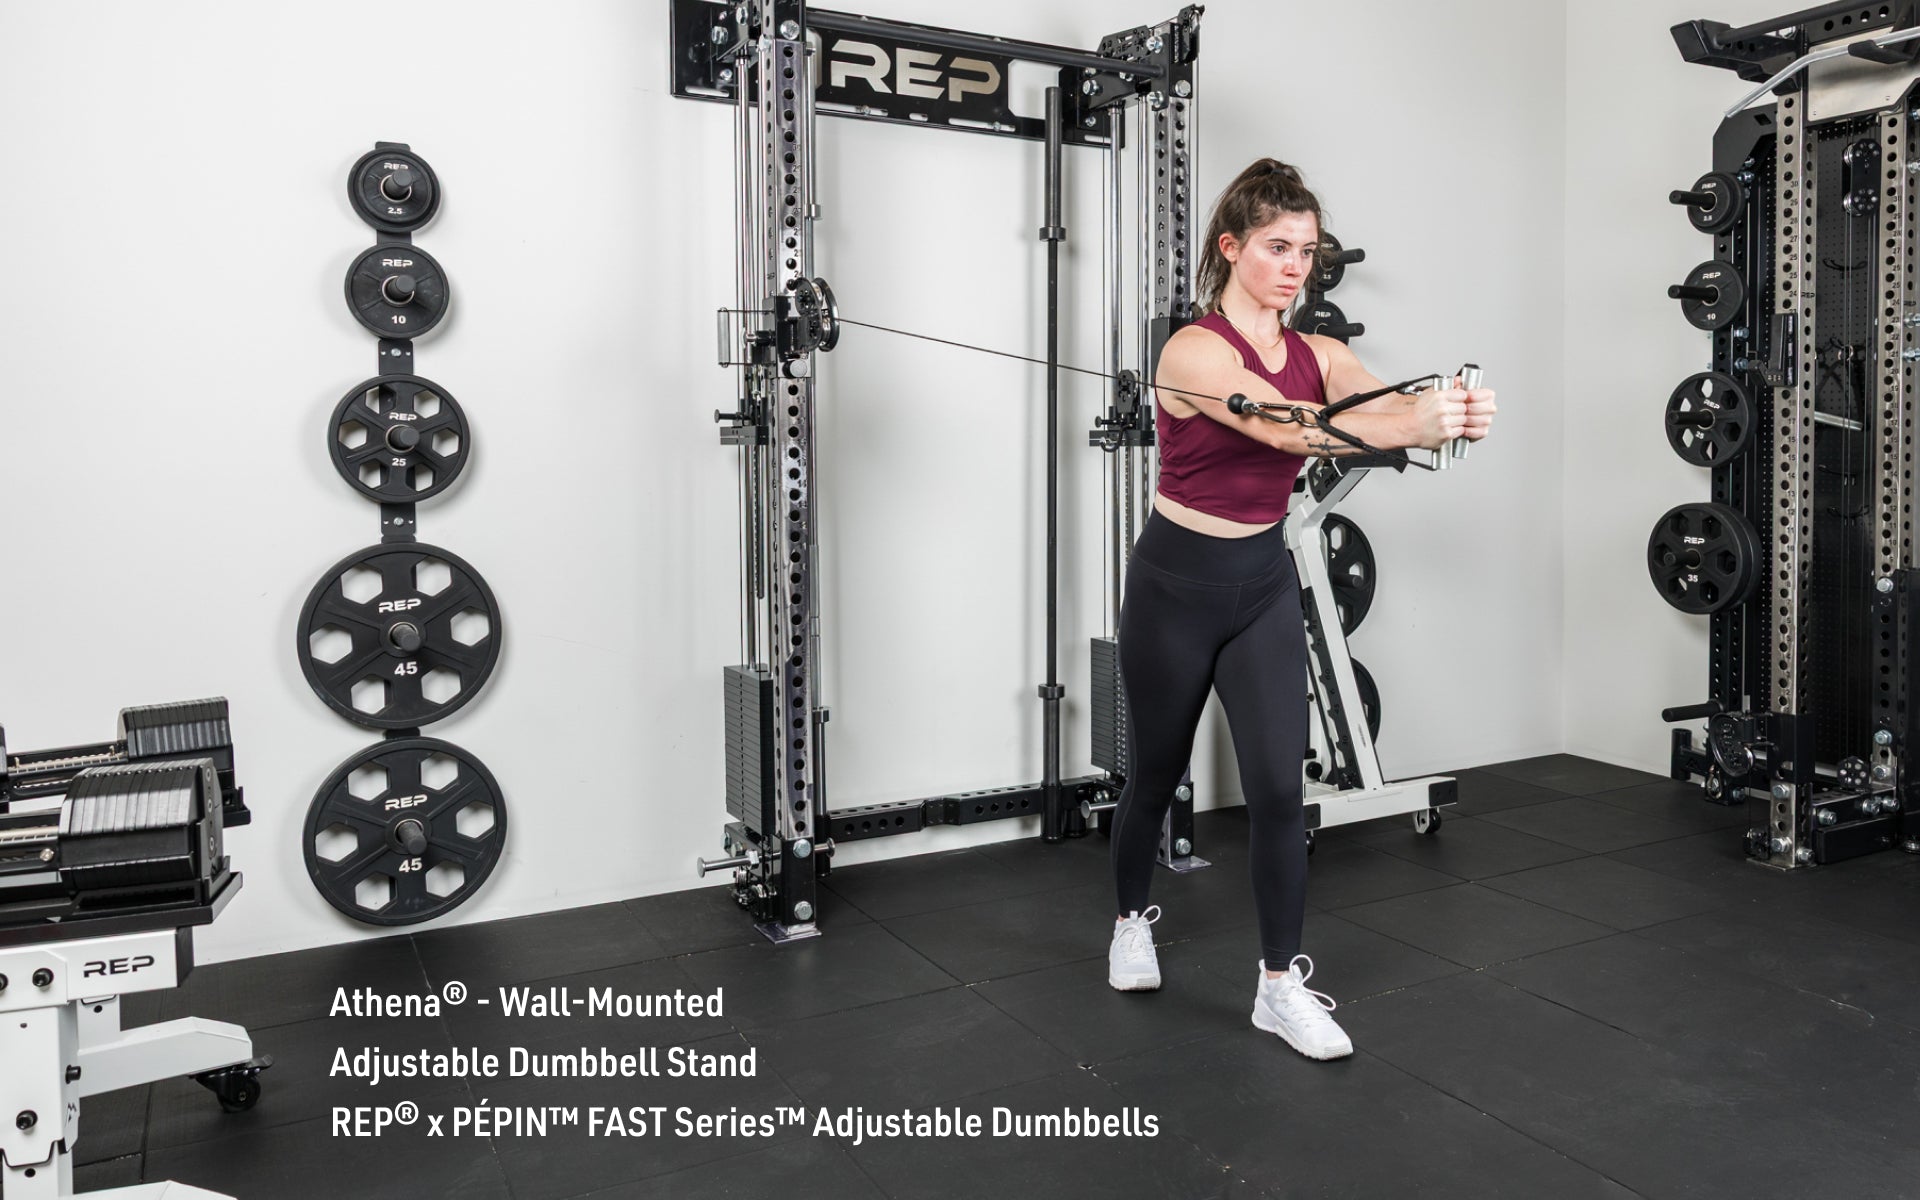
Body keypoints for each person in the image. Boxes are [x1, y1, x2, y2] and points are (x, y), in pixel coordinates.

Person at [1104, 159, 1496, 1060]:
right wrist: (1415, 425)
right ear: (1229, 247)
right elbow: (1289, 428)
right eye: (1278, 248)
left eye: (1308, 252)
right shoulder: (1193, 351)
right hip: (1174, 586)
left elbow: (1368, 401)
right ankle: (1130, 921)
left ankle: (1278, 985)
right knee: (1155, 778)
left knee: (1281, 789)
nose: (1295, 268)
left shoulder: (1317, 351)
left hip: (1261, 583)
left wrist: (1449, 407)